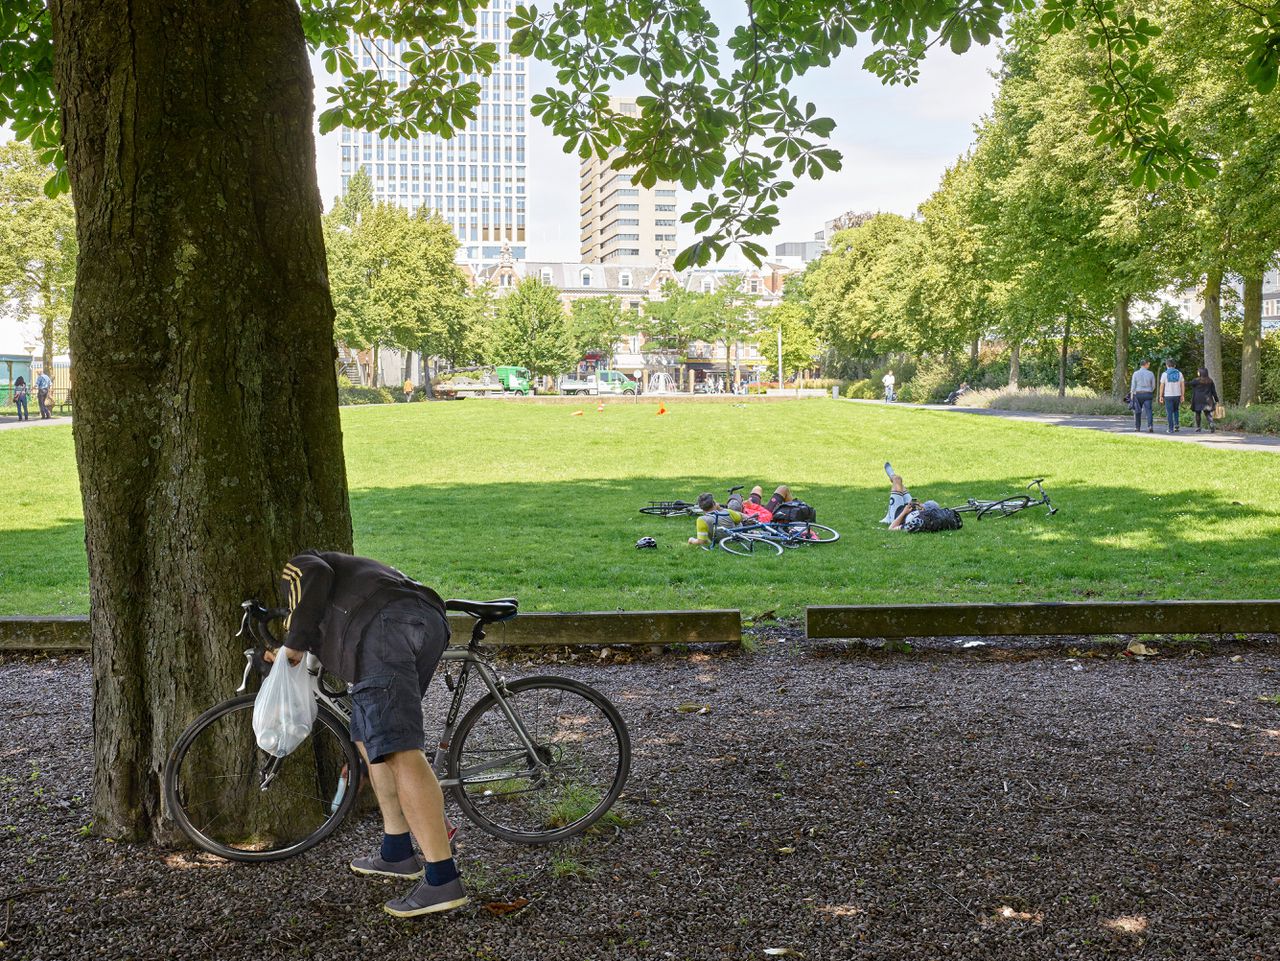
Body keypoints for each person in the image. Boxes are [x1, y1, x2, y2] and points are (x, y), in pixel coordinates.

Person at [272, 550, 467, 917]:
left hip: (385, 627)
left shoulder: (297, 564)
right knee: (368, 736)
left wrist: (292, 645)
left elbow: (312, 573)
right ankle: (397, 851)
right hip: (421, 620)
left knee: (397, 747)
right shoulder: (352, 575)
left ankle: (442, 879)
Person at [727, 484, 792, 523]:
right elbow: (768, 515)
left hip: (749, 509)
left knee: (757, 488)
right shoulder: (751, 518)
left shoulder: (735, 511)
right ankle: (793, 513)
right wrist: (752, 505)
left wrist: (748, 505)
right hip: (767, 513)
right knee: (783, 488)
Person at [1157, 358, 1184, 434]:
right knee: (1176, 410)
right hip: (1177, 395)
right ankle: (1177, 425)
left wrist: (1160, 396)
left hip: (1168, 395)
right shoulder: (1179, 373)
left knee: (1169, 412)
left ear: (1167, 365)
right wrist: (1182, 395)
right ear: (1174, 365)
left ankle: (1170, 428)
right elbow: (1182, 385)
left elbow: (1162, 386)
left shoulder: (1165, 374)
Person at [1188, 367, 1219, 433]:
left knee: (1198, 413)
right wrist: (1216, 400)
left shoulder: (1196, 380)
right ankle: (1211, 423)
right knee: (1207, 413)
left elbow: (1188, 383)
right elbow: (1214, 391)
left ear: (1200, 373)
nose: (1197, 372)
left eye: (1198, 371)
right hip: (1207, 400)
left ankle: (1198, 427)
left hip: (1198, 399)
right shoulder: (1210, 381)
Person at [1129, 359, 1155, 433]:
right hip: (1148, 394)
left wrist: (1131, 396)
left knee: (1137, 411)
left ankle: (1137, 427)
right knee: (1149, 411)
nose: (1149, 365)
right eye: (1148, 364)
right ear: (1145, 364)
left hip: (1138, 394)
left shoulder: (1135, 373)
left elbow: (1133, 386)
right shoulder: (1151, 373)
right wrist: (1149, 390)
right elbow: (1153, 386)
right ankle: (1150, 426)